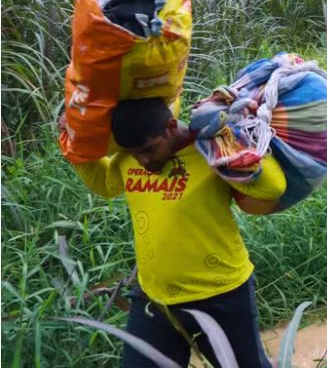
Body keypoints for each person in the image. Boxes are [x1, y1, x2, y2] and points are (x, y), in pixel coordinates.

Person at [64, 98, 285, 367]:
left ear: (170, 127)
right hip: (154, 298)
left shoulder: (208, 151)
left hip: (221, 295)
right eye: (135, 154)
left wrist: (233, 143)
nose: (143, 161)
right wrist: (72, 139)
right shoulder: (128, 158)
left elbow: (271, 188)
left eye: (149, 149)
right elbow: (105, 183)